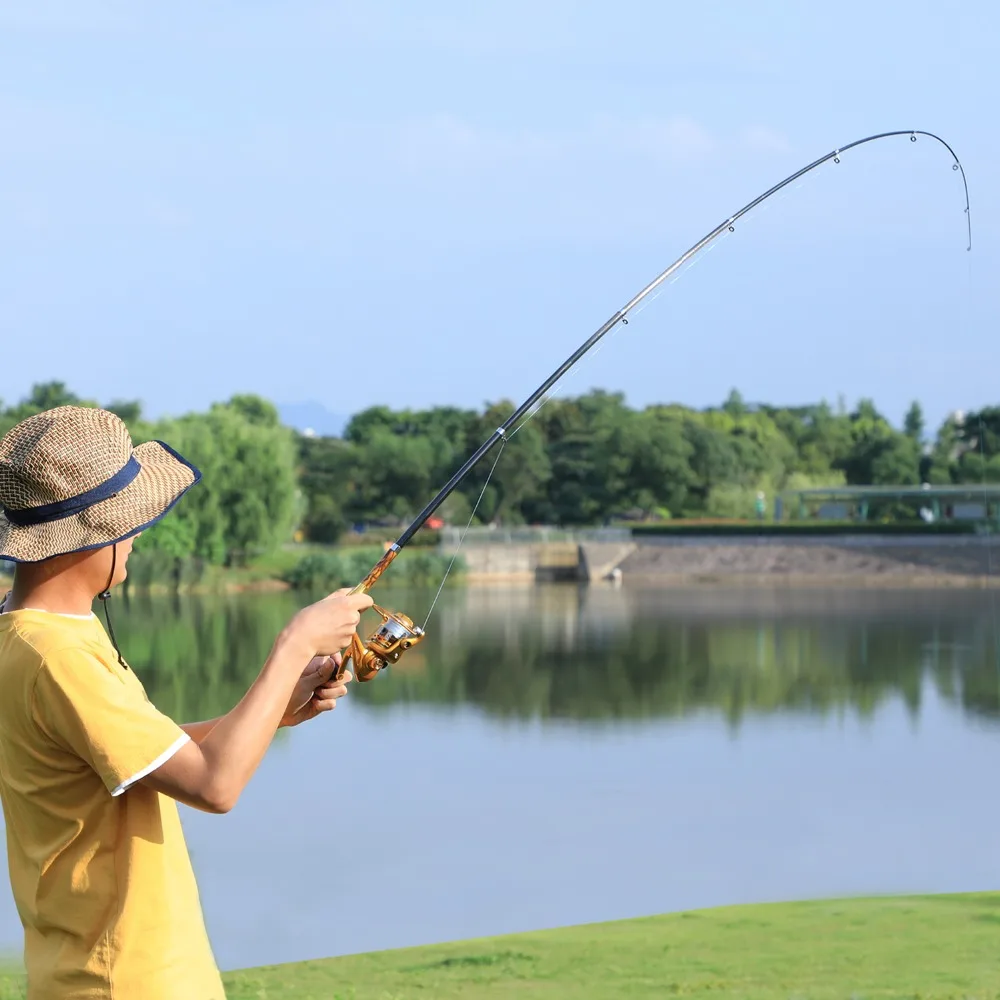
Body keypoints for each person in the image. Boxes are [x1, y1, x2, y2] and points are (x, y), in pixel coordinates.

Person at [0, 405, 373, 999]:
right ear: (90, 534)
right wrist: (293, 643)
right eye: (130, 521)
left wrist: (271, 711)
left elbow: (132, 751)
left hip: (82, 975)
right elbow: (213, 786)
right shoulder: (60, 656)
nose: (140, 534)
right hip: (126, 981)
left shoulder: (24, 634)